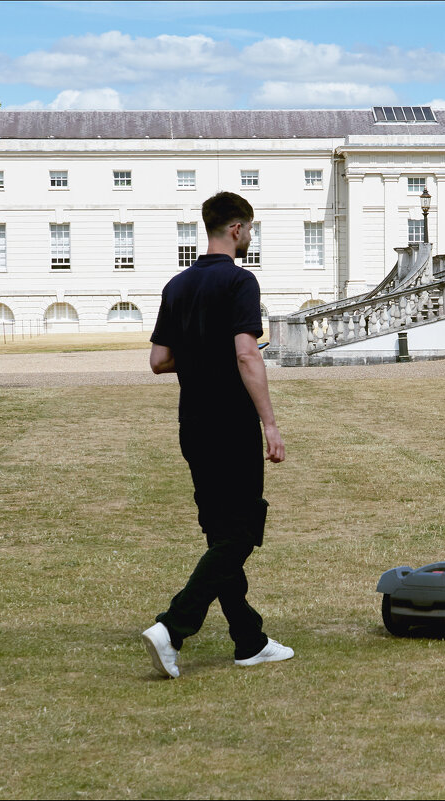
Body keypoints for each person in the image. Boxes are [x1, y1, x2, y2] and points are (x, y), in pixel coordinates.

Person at [141, 191, 292, 679]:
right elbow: (248, 354)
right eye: (250, 229)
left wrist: (201, 349)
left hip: (193, 425)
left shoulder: (177, 284)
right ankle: (174, 626)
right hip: (230, 424)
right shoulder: (240, 281)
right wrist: (270, 422)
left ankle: (249, 640)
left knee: (220, 534)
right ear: (235, 229)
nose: (250, 237)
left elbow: (160, 361)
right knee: (242, 532)